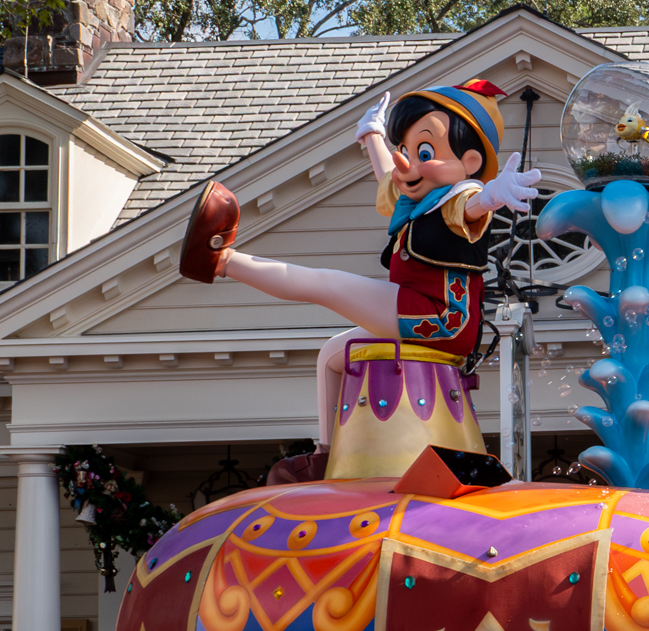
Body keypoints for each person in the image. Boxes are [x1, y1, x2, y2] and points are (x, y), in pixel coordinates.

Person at [179, 80, 543, 481]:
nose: (409, 163)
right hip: (419, 308)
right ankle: (325, 455)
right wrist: (371, 133)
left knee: (327, 284)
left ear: (470, 161)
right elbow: (389, 174)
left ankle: (218, 258)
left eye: (426, 152)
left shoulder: (460, 195)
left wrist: (493, 195)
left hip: (441, 318)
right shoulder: (417, 201)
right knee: (334, 354)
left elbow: (473, 207)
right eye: (405, 149)